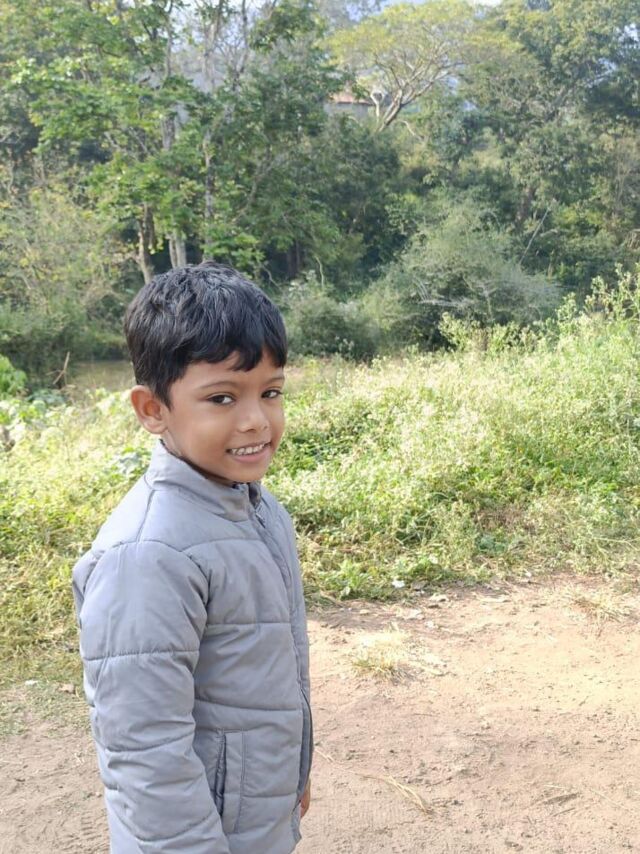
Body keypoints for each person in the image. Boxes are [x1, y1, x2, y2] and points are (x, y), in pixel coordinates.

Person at [71, 261, 313, 854]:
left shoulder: (258, 509)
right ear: (152, 410)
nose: (256, 420)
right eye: (221, 397)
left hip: (251, 818)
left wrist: (292, 777)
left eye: (270, 392)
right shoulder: (147, 554)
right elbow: (143, 749)